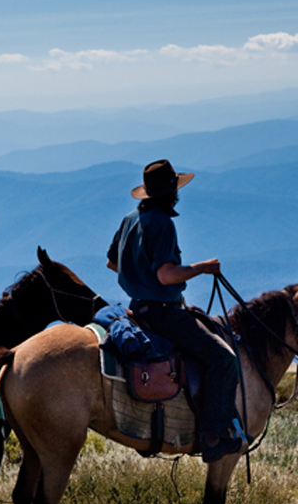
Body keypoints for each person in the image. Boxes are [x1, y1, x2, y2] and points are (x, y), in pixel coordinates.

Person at [106, 159, 251, 462]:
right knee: (223, 358)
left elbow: (113, 263)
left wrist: (137, 275)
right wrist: (203, 268)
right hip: (163, 314)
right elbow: (166, 275)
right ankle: (214, 436)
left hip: (137, 310)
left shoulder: (130, 219)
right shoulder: (163, 223)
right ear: (171, 192)